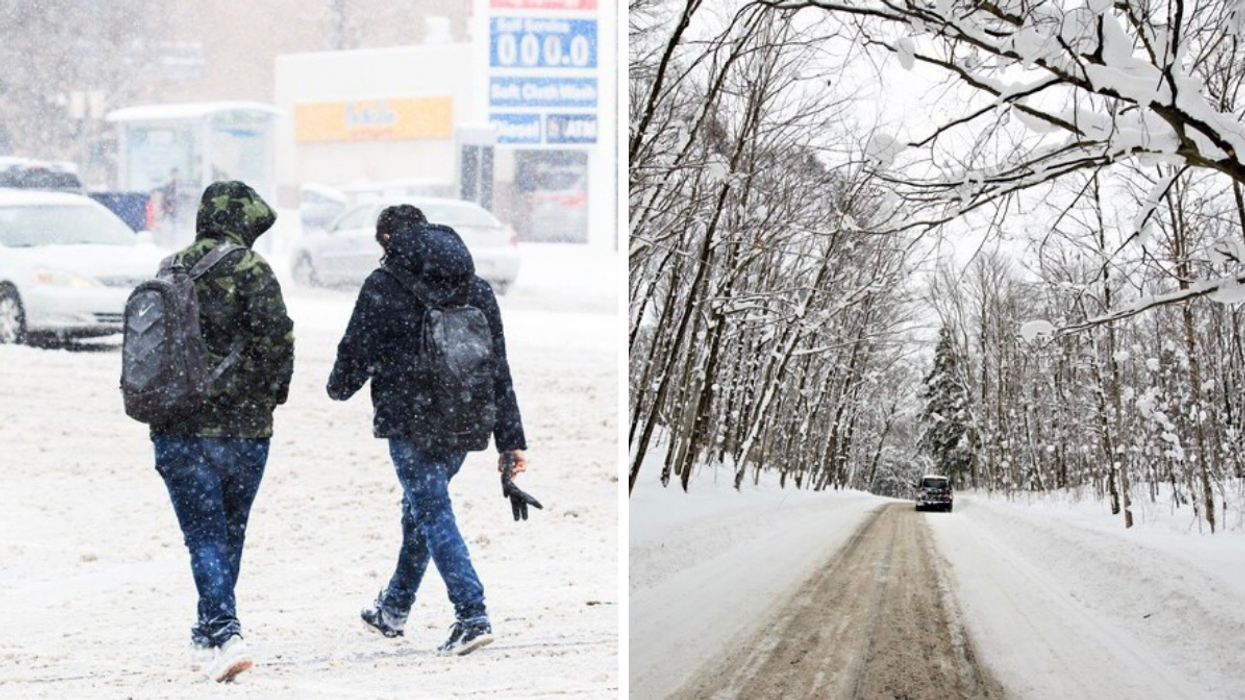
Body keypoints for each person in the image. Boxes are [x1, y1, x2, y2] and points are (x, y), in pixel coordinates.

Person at [327, 204, 528, 656]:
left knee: (432, 509)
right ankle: (394, 608)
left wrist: (339, 386)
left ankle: (472, 613)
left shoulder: (383, 284)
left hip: (410, 419)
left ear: (387, 240)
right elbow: (498, 367)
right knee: (421, 507)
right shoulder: (475, 287)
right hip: (465, 417)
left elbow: (356, 349)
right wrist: (510, 438)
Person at [151, 181, 294, 681]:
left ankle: (204, 632)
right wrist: (270, 396)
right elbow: (278, 341)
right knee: (228, 533)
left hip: (177, 425)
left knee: (204, 535)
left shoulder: (170, 266)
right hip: (245, 431)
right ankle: (225, 631)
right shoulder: (252, 269)